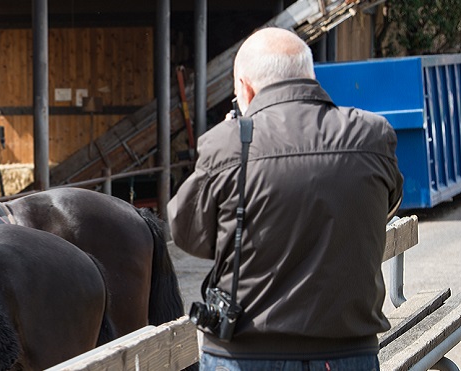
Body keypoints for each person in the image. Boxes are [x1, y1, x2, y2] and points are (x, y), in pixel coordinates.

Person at [168, 27, 403, 370]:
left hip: (247, 355)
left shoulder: (228, 142)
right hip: (349, 354)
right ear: (309, 75)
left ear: (244, 88)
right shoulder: (372, 134)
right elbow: (387, 205)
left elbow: (188, 232)